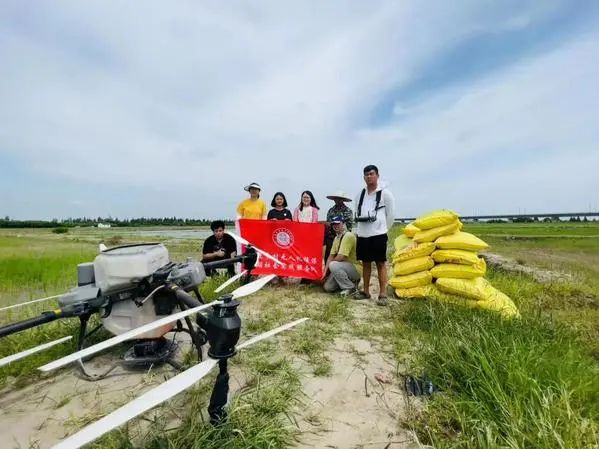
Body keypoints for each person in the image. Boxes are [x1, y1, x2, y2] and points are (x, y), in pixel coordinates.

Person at [353, 165, 395, 306]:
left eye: (371, 174)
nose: (369, 176)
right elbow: (357, 213)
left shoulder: (385, 194)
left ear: (377, 175)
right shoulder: (360, 194)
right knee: (365, 263)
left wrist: (383, 229)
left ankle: (383, 294)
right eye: (366, 174)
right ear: (364, 177)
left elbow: (391, 215)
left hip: (378, 234)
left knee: (380, 263)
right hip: (363, 234)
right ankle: (365, 291)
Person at [322, 215, 360, 296]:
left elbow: (341, 256)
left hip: (355, 267)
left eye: (338, 223)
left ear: (343, 224)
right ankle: (349, 283)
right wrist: (325, 272)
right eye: (333, 224)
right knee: (328, 287)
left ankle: (350, 287)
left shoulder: (348, 235)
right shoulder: (336, 238)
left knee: (333, 264)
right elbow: (330, 256)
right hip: (343, 267)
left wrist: (331, 266)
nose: (335, 226)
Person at [324, 191, 353, 261]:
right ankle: (328, 267)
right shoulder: (331, 210)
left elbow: (348, 226)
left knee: (342, 256)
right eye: (335, 198)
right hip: (331, 237)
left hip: (343, 236)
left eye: (339, 199)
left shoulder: (348, 211)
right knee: (328, 254)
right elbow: (328, 223)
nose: (337, 200)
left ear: (343, 200)